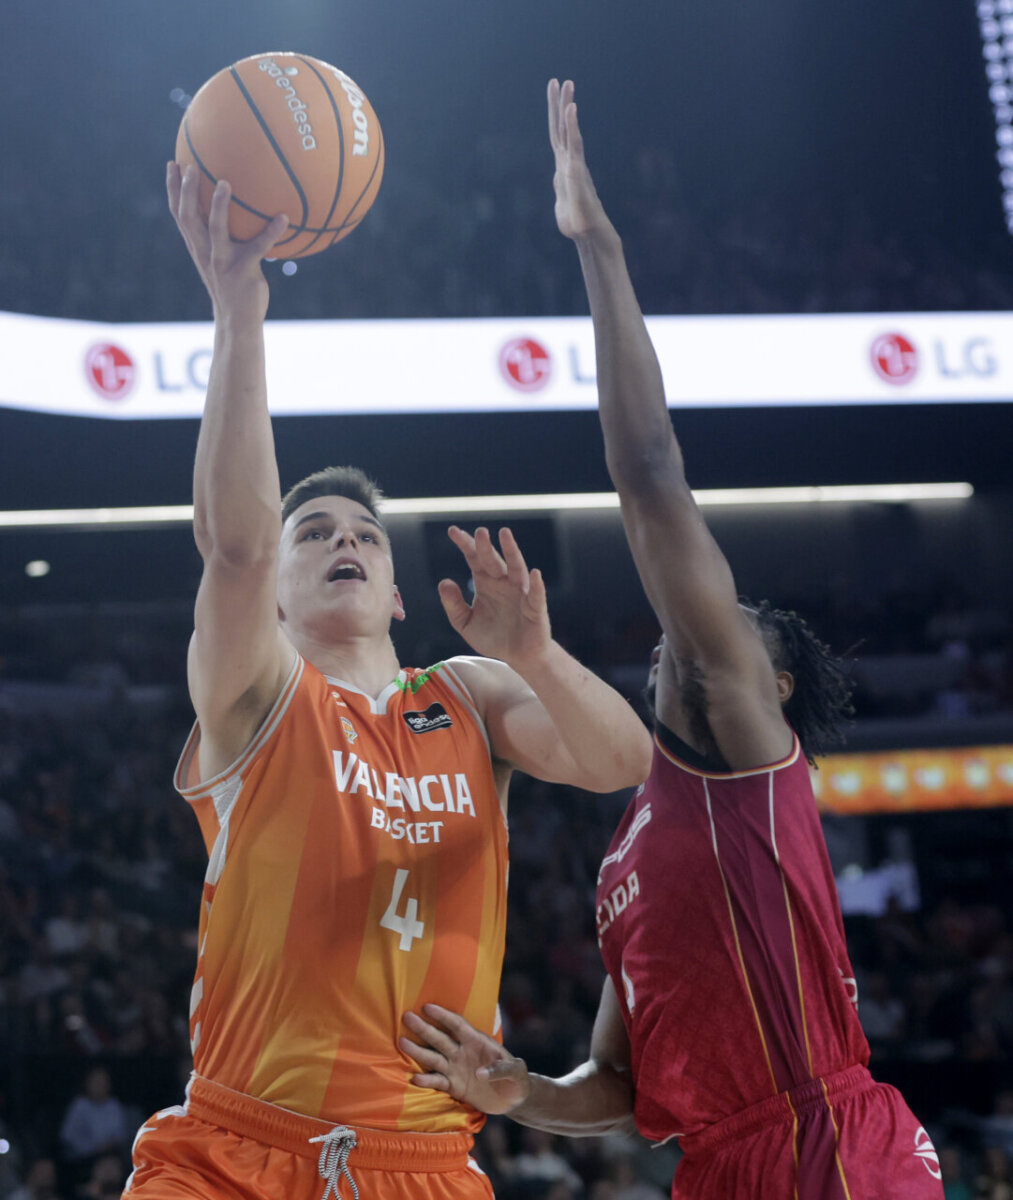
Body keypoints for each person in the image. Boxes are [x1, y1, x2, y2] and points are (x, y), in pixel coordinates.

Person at [399, 79, 944, 1199]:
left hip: (826, 1144)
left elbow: (647, 473)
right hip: (714, 1168)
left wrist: (597, 249)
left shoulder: (743, 754)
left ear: (772, 683)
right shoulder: (621, 856)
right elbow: (616, 1078)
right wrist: (520, 1091)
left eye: (724, 624)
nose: (689, 633)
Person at [121, 162, 651, 1200]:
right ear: (274, 594)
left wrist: (533, 651)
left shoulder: (467, 693)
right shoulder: (255, 697)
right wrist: (238, 315)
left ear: (398, 596)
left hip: (422, 1162)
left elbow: (624, 761)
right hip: (234, 1153)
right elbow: (232, 544)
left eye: (364, 534)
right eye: (313, 533)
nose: (344, 541)